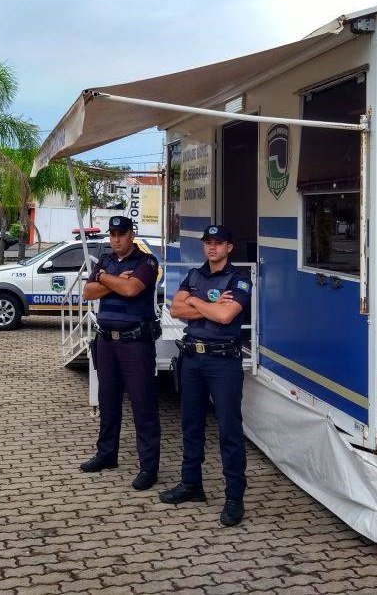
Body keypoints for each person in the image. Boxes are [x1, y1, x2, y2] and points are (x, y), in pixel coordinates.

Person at [159, 224, 252, 527]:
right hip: (192, 358)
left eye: (218, 243)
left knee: (229, 430)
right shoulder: (194, 275)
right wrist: (210, 305)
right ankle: (191, 485)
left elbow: (226, 316)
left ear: (229, 248)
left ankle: (234, 498)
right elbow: (176, 309)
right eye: (208, 242)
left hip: (223, 362)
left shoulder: (239, 279)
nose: (212, 247)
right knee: (191, 425)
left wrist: (195, 302)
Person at [79, 215, 161, 491]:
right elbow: (88, 292)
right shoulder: (105, 260)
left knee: (143, 405)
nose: (115, 240)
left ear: (131, 235)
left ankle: (148, 467)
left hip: (135, 344)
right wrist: (110, 279)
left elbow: (130, 289)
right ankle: (106, 455)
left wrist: (104, 279)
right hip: (106, 342)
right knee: (108, 402)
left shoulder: (146, 262)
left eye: (121, 234)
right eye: (112, 235)